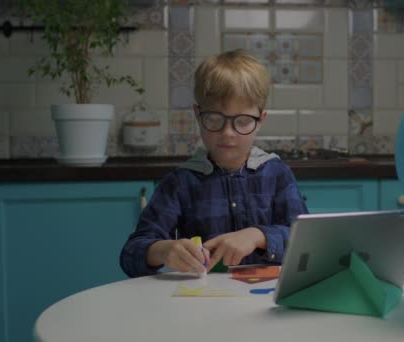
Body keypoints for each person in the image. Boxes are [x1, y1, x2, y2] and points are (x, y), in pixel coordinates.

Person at [120, 49, 308, 278]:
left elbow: (305, 242)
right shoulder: (180, 182)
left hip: (267, 300)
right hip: (203, 303)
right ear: (198, 115)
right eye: (214, 119)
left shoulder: (277, 173)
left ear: (261, 120)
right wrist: (163, 250)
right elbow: (130, 255)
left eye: (243, 121)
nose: (228, 133)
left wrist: (258, 235)